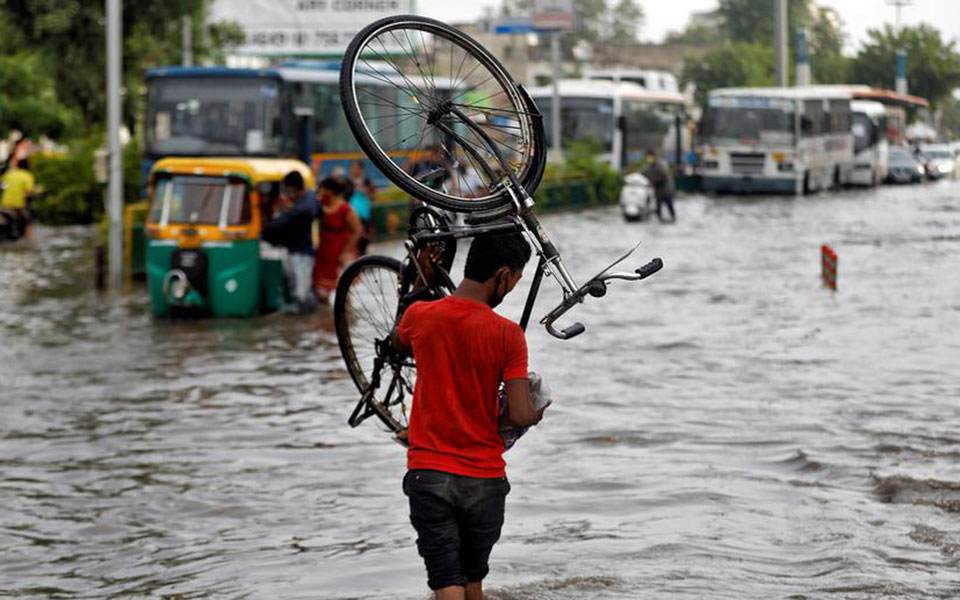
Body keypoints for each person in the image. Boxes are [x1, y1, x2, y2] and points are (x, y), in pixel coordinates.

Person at [392, 231, 548, 600]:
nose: (511, 290)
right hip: (485, 482)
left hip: (430, 475)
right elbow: (522, 415)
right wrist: (539, 410)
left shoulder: (420, 315)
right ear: (504, 275)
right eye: (516, 281)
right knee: (473, 585)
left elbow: (396, 343)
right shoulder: (508, 335)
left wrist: (420, 284)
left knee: (447, 584)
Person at [260, 170, 317, 312]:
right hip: (292, 249)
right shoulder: (303, 201)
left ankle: (307, 318)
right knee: (294, 285)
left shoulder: (305, 204)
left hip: (303, 251)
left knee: (301, 290)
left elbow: (286, 219)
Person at [312, 176, 363, 303]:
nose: (320, 192)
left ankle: (344, 320)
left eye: (322, 189)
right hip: (324, 252)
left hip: (341, 252)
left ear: (329, 191)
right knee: (321, 292)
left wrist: (346, 250)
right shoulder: (320, 206)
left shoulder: (345, 208)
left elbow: (358, 230)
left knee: (345, 292)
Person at [0, 158, 37, 239]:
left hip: (4, 204)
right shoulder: (27, 175)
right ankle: (29, 239)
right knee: (29, 221)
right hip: (18, 205)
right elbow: (29, 192)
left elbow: (2, 184)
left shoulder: (9, 174)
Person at [641, 149, 676, 222]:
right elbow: (641, 173)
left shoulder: (661, 165)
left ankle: (672, 219)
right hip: (658, 191)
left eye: (650, 156)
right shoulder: (648, 167)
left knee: (669, 205)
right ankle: (660, 219)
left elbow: (665, 176)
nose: (649, 158)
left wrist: (654, 182)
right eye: (648, 157)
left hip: (666, 190)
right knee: (658, 208)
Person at [348, 161, 375, 255]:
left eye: (356, 168)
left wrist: (365, 192)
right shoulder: (347, 183)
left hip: (365, 215)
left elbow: (373, 196)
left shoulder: (367, 182)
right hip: (351, 214)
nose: (354, 170)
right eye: (352, 168)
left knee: (364, 238)